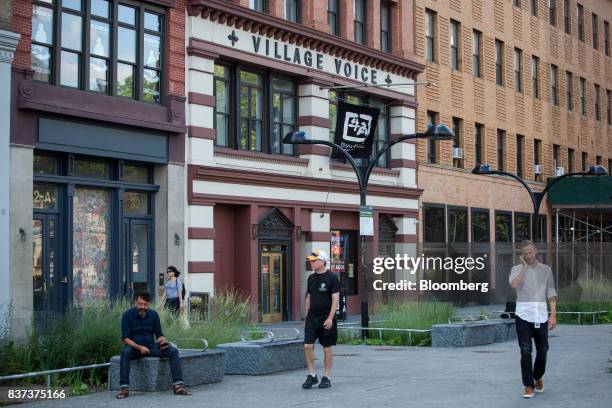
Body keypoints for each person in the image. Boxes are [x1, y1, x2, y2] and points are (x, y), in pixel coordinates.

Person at [116, 292, 192, 399]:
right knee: (125, 352)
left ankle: (178, 386)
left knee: (173, 351)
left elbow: (159, 335)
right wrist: (139, 347)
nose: (143, 307)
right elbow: (125, 338)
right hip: (134, 348)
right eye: (140, 304)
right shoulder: (127, 315)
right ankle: (124, 388)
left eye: (145, 304)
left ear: (149, 304)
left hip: (151, 347)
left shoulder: (154, 315)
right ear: (135, 303)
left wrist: (162, 342)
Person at [509, 241, 557, 399]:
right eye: (526, 253)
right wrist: (525, 268)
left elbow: (551, 292)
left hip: (541, 315)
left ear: (535, 251)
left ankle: (537, 377)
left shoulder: (546, 270)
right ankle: (528, 386)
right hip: (523, 315)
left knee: (543, 351)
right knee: (525, 351)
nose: (529, 256)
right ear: (522, 255)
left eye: (531, 252)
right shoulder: (516, 269)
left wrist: (553, 315)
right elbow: (515, 284)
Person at [302, 249, 340, 390]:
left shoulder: (332, 278)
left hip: (326, 318)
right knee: (307, 346)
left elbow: (335, 299)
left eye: (314, 261)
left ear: (322, 262)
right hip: (312, 318)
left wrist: (330, 318)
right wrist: (306, 318)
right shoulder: (311, 278)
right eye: (310, 261)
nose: (311, 263)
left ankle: (327, 377)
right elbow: (308, 298)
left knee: (327, 348)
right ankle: (312, 375)